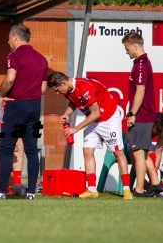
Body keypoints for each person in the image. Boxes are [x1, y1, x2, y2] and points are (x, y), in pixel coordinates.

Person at [47, 72, 134, 200]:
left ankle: (127, 190)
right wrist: (67, 114)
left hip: (108, 118)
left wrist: (75, 129)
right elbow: (74, 101)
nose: (57, 93)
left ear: (63, 83)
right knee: (87, 150)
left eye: (57, 90)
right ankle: (92, 189)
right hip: (94, 120)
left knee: (118, 152)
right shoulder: (68, 90)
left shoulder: (84, 87)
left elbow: (95, 113)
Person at [0, 24, 48, 200]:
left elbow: (10, 79)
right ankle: (31, 192)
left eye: (9, 37)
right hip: (34, 106)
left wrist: (1, 94)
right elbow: (42, 88)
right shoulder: (42, 59)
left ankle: (1, 191)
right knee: (32, 150)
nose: (8, 41)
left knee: (7, 148)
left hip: (17, 105)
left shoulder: (14, 55)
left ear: (16, 38)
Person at [122, 32, 163, 197]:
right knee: (142, 152)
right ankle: (155, 183)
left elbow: (140, 90)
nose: (126, 52)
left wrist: (132, 113)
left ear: (135, 46)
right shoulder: (142, 63)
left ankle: (139, 189)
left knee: (138, 153)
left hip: (141, 115)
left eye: (127, 49)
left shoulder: (141, 65)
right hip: (144, 115)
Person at [147, 113, 163, 198]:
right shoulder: (144, 126)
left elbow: (159, 150)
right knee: (149, 154)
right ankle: (151, 186)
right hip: (131, 146)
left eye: (157, 133)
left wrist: (154, 169)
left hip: (149, 147)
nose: (155, 135)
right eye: (154, 132)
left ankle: (157, 186)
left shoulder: (162, 130)